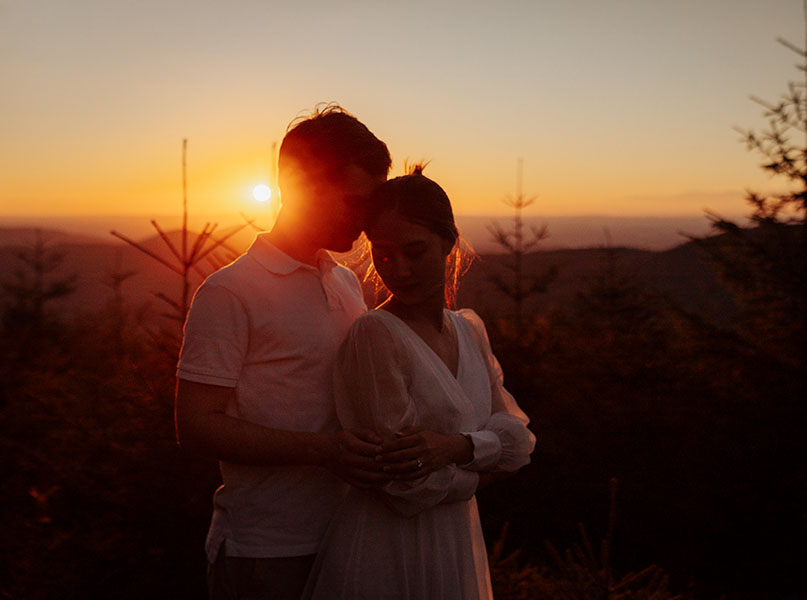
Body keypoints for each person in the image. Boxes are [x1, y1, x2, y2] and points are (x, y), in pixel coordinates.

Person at [175, 104, 424, 599]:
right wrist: (324, 450)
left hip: (352, 538)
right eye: (356, 202)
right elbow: (196, 425)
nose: (366, 220)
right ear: (301, 186)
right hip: (266, 553)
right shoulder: (230, 292)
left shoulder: (346, 282)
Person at [302, 168, 537, 599]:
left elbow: (519, 442)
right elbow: (404, 486)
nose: (400, 270)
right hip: (388, 551)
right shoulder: (374, 334)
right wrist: (485, 455)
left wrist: (454, 448)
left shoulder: (469, 329)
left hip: (456, 544)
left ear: (448, 242)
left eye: (415, 251)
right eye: (384, 254)